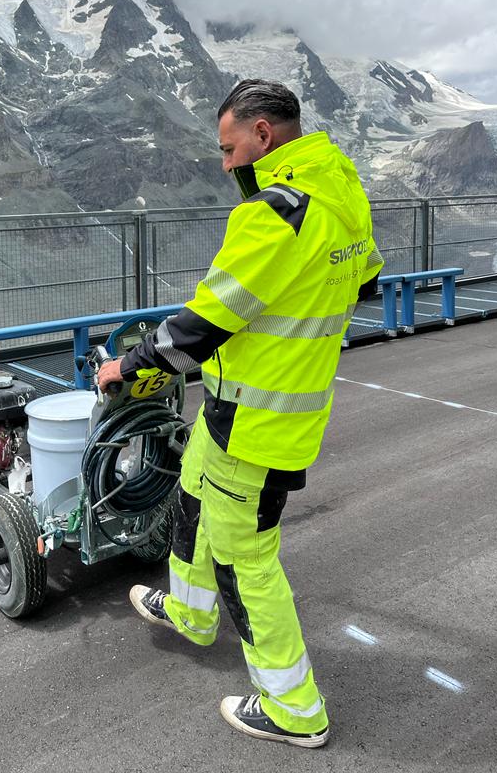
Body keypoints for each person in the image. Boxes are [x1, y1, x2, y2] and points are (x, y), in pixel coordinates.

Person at [98, 78, 383, 747]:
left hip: (255, 419)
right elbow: (366, 279)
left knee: (244, 558)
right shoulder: (340, 185)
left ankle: (294, 709)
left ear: (262, 134)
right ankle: (190, 611)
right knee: (193, 488)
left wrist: (126, 367)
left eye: (230, 150)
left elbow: (201, 327)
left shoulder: (273, 212)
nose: (227, 165)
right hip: (272, 405)